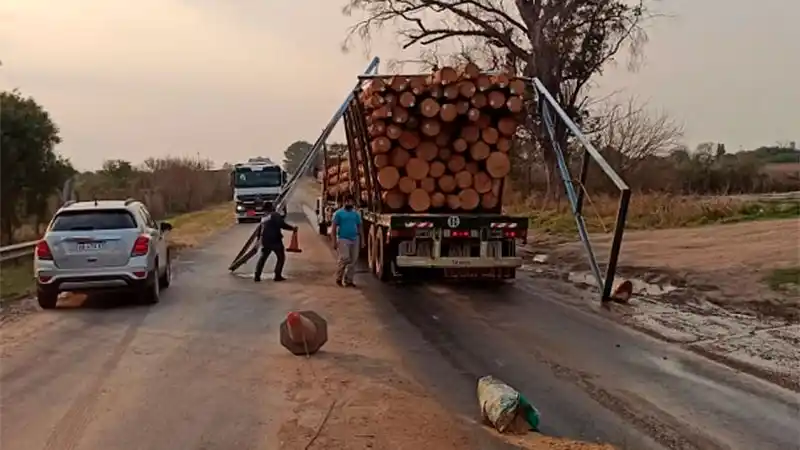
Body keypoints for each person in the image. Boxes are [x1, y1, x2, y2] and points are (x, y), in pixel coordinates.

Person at [254, 202, 298, 282]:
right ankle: (277, 275)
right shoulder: (275, 215)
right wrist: (292, 228)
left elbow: (260, 229)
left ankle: (257, 275)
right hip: (275, 240)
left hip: (265, 240)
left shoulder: (264, 217)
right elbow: (282, 224)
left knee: (263, 258)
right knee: (281, 257)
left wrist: (258, 240)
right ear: (271, 207)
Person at [330, 194, 363, 287]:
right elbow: (333, 228)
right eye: (348, 201)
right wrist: (334, 241)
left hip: (355, 238)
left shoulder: (356, 214)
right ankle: (339, 277)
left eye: (351, 201)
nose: (349, 203)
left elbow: (360, 227)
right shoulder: (338, 214)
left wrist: (362, 240)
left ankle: (349, 280)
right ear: (344, 202)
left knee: (353, 260)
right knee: (345, 258)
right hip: (343, 238)